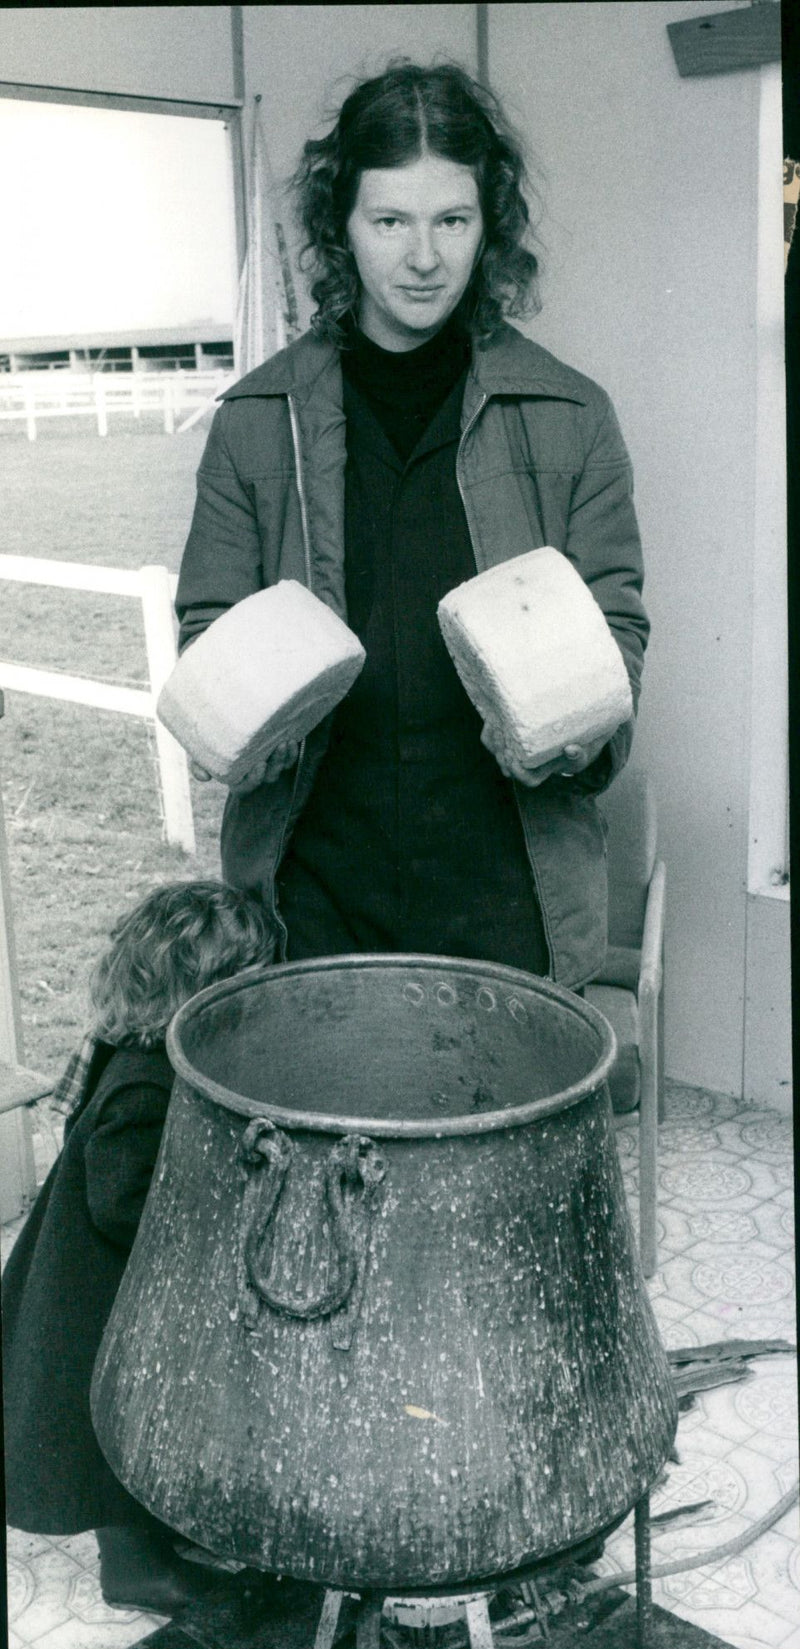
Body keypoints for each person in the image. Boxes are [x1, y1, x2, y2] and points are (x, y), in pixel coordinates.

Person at [176, 60, 649, 990]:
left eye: (452, 220)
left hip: (505, 878)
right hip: (311, 882)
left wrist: (580, 725)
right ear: (341, 227)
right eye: (390, 220)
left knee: (485, 1132)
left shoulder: (571, 415)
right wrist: (239, 713)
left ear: (489, 225)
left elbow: (617, 634)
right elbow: (208, 636)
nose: (423, 256)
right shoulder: (254, 419)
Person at [1, 880, 274, 1615]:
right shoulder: (144, 1087)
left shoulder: (141, 1049)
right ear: (194, 996)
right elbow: (119, 1201)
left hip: (117, 1289)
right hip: (95, 1305)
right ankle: (133, 1567)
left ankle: (158, 1530)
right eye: (240, 989)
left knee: (147, 1423)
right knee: (106, 1438)